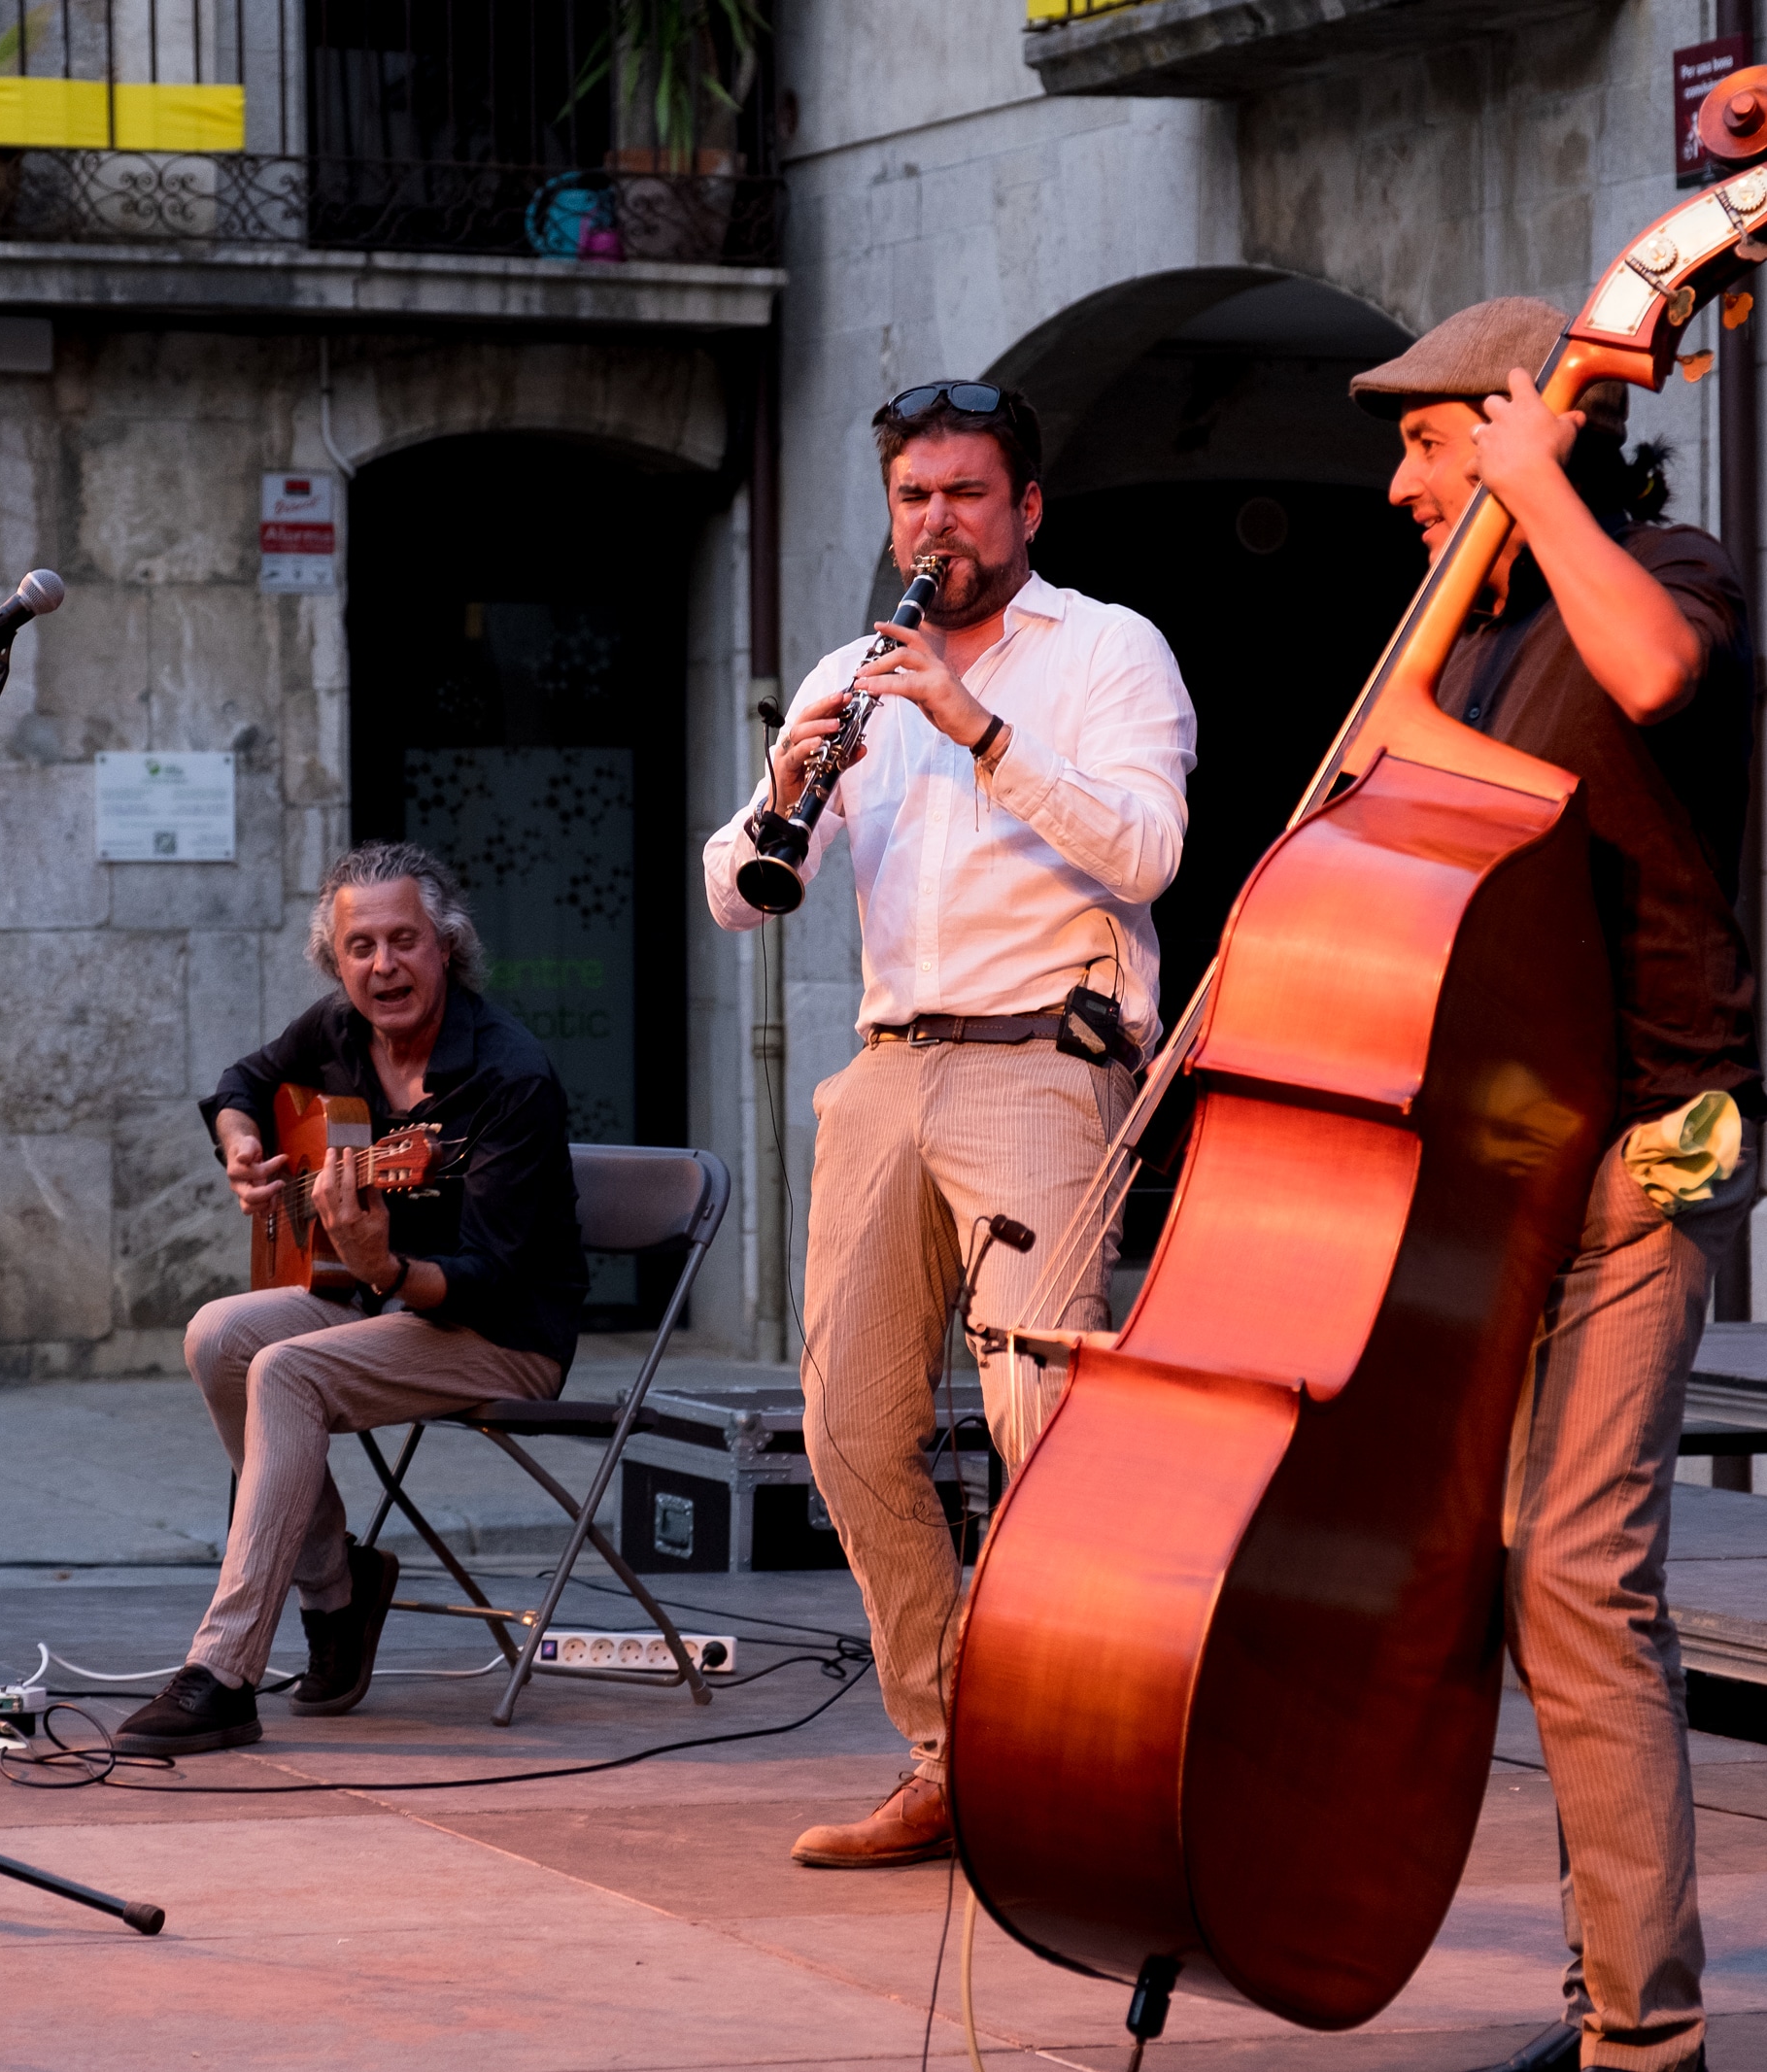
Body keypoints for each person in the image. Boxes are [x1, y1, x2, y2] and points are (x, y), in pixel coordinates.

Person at [703, 381, 1197, 1867]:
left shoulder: (1107, 650)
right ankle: (946, 1750)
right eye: (915, 497)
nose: (938, 524)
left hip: (1046, 1060)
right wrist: (784, 790)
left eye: (966, 496)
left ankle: (1064, 1749)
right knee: (846, 1426)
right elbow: (734, 890)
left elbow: (1148, 851)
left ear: (1025, 508)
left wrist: (976, 727)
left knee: (1043, 1423)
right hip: (883, 1069)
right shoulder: (852, 666)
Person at [1350, 298, 1762, 2072]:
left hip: (1650, 1138)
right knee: (1515, 1570)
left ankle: (1645, 2043)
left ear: (1535, 426)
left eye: (1426, 442)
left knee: (1581, 1578)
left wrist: (1532, 485)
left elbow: (1660, 675)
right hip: (1503, 1158)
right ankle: (1607, 1985)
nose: (1394, 484)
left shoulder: (1662, 569)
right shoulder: (1497, 634)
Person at [118, 842, 588, 1755]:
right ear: (336, 962)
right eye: (360, 946)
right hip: (387, 1307)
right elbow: (239, 1083)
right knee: (218, 1334)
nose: (383, 966)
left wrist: (381, 1266)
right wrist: (243, 1147)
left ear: (445, 946)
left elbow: (488, 1278)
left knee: (288, 1372)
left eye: (404, 940)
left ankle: (223, 1670)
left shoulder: (508, 1077)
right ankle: (337, 1589)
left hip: (499, 1331)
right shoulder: (336, 1032)